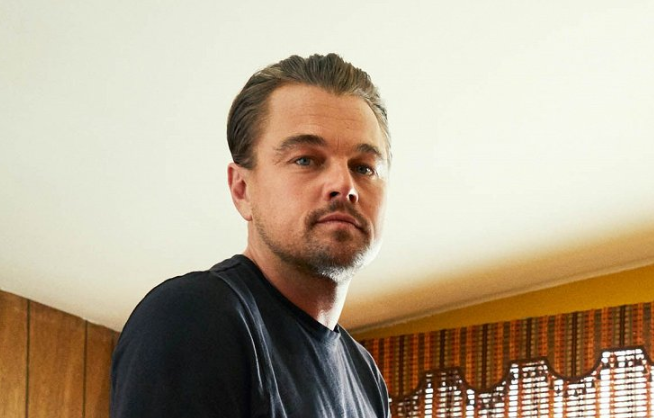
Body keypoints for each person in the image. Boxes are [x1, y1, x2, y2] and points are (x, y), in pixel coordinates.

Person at [110, 53, 391, 417]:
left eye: (364, 167)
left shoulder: (366, 378)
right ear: (242, 189)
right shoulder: (193, 317)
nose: (344, 185)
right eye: (306, 159)